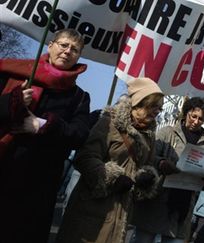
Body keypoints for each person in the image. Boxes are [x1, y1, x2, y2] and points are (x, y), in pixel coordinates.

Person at [0, 28, 90, 243]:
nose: (68, 51)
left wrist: (42, 125)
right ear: (50, 45)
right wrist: (12, 101)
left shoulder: (79, 97)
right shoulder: (14, 73)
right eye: (63, 45)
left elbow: (79, 135)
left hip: (37, 189)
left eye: (74, 49)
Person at [56, 77, 164, 243]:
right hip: (93, 207)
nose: (157, 112)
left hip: (123, 210)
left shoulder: (149, 135)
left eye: (159, 108)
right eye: (153, 106)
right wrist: (111, 177)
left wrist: (146, 178)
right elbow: (85, 157)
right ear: (139, 103)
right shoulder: (109, 123)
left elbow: (146, 165)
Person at [130, 97, 204, 243]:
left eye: (201, 119)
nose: (196, 121)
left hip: (182, 209)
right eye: (193, 116)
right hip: (157, 202)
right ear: (186, 112)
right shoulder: (167, 132)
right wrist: (161, 163)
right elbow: (148, 157)